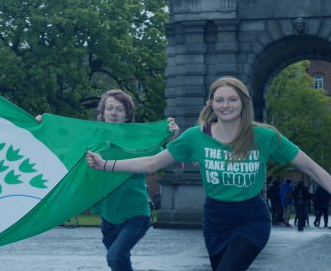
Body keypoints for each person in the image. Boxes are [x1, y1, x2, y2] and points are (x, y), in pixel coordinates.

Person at [85, 77, 331, 271]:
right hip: (215, 221)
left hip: (251, 219)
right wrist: (105, 164)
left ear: (243, 103)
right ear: (211, 104)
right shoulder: (195, 136)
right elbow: (152, 163)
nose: (226, 105)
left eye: (232, 99)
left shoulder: (265, 136)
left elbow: (312, 168)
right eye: (220, 100)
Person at [85, 89, 180, 270]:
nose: (113, 113)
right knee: (120, 264)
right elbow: (62, 146)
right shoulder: (92, 142)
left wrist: (171, 143)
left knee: (114, 258)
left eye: (119, 109)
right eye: (110, 108)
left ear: (127, 116)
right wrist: (45, 125)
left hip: (135, 215)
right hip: (108, 217)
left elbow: (177, 165)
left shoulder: (139, 142)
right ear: (102, 114)